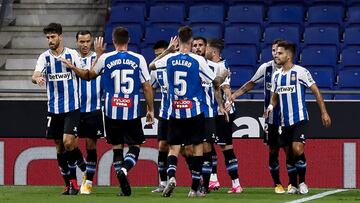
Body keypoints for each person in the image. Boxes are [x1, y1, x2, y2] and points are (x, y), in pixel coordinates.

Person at [62, 27, 155, 196]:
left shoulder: (105, 58)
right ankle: (125, 170)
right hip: (132, 111)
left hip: (111, 112)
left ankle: (121, 181)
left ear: (113, 41)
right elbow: (147, 87)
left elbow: (89, 75)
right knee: (134, 146)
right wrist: (150, 109)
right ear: (128, 41)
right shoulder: (138, 58)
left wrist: (75, 66)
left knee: (117, 148)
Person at [150, 26, 228, 198]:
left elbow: (152, 65)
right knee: (198, 148)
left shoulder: (169, 58)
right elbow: (214, 82)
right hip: (194, 111)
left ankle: (171, 177)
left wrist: (168, 51)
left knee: (173, 148)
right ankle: (194, 188)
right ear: (192, 42)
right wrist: (223, 76)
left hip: (175, 111)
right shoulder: (197, 61)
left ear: (178, 40)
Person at [264, 41, 331, 194]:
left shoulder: (300, 72)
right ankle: (293, 185)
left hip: (299, 118)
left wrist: (324, 112)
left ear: (289, 55)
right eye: (276, 52)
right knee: (289, 154)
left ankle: (302, 182)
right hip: (284, 121)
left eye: (280, 53)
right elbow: (275, 97)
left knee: (297, 147)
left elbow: (316, 91)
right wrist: (269, 107)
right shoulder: (276, 76)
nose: (276, 55)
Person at [31, 23, 86, 195]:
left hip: (72, 108)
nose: (50, 40)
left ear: (60, 36)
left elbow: (85, 74)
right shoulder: (44, 57)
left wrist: (72, 67)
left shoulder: (72, 54)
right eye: (48, 37)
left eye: (53, 37)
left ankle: (81, 166)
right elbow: (35, 75)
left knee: (69, 142)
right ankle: (70, 183)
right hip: (54, 109)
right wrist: (37, 79)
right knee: (59, 147)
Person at [227, 39, 288, 194]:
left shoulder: (292, 70)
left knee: (290, 150)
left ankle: (293, 182)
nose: (275, 53)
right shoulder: (266, 68)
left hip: (289, 115)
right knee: (273, 150)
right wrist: (234, 96)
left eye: (278, 51)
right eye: (273, 50)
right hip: (271, 116)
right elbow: (251, 84)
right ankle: (277, 183)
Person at [205, 39, 242, 194]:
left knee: (225, 147)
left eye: (205, 48)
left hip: (223, 112)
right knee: (208, 144)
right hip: (211, 112)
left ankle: (236, 183)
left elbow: (225, 86)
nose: (203, 50)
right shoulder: (208, 65)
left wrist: (228, 100)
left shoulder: (221, 66)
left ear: (213, 52)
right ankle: (213, 179)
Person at [74, 30, 104, 195]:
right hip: (75, 110)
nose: (85, 45)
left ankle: (88, 182)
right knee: (69, 143)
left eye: (87, 41)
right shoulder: (72, 59)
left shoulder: (99, 58)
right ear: (77, 42)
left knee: (91, 145)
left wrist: (99, 56)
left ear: (91, 42)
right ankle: (85, 168)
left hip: (93, 109)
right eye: (81, 41)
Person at [191, 37, 220, 193]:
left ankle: (205, 185)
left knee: (206, 147)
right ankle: (198, 178)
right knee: (189, 149)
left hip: (208, 113)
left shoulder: (214, 67)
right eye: (194, 45)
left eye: (200, 45)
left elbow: (220, 87)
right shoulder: (188, 66)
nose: (197, 48)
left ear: (206, 47)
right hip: (190, 112)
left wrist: (222, 106)